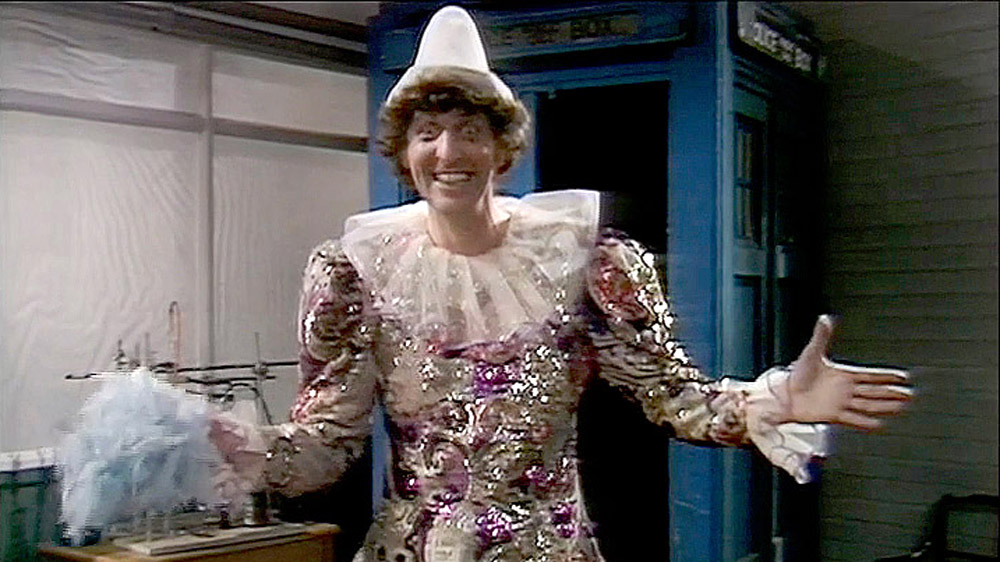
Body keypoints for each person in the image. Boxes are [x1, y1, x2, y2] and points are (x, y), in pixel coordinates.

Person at [210, 6, 912, 562]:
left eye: (469, 130)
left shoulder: (584, 261)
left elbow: (674, 399)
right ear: (404, 150)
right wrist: (238, 446)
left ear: (501, 148)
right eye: (428, 132)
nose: (448, 151)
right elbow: (327, 443)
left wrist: (777, 399)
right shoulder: (357, 274)